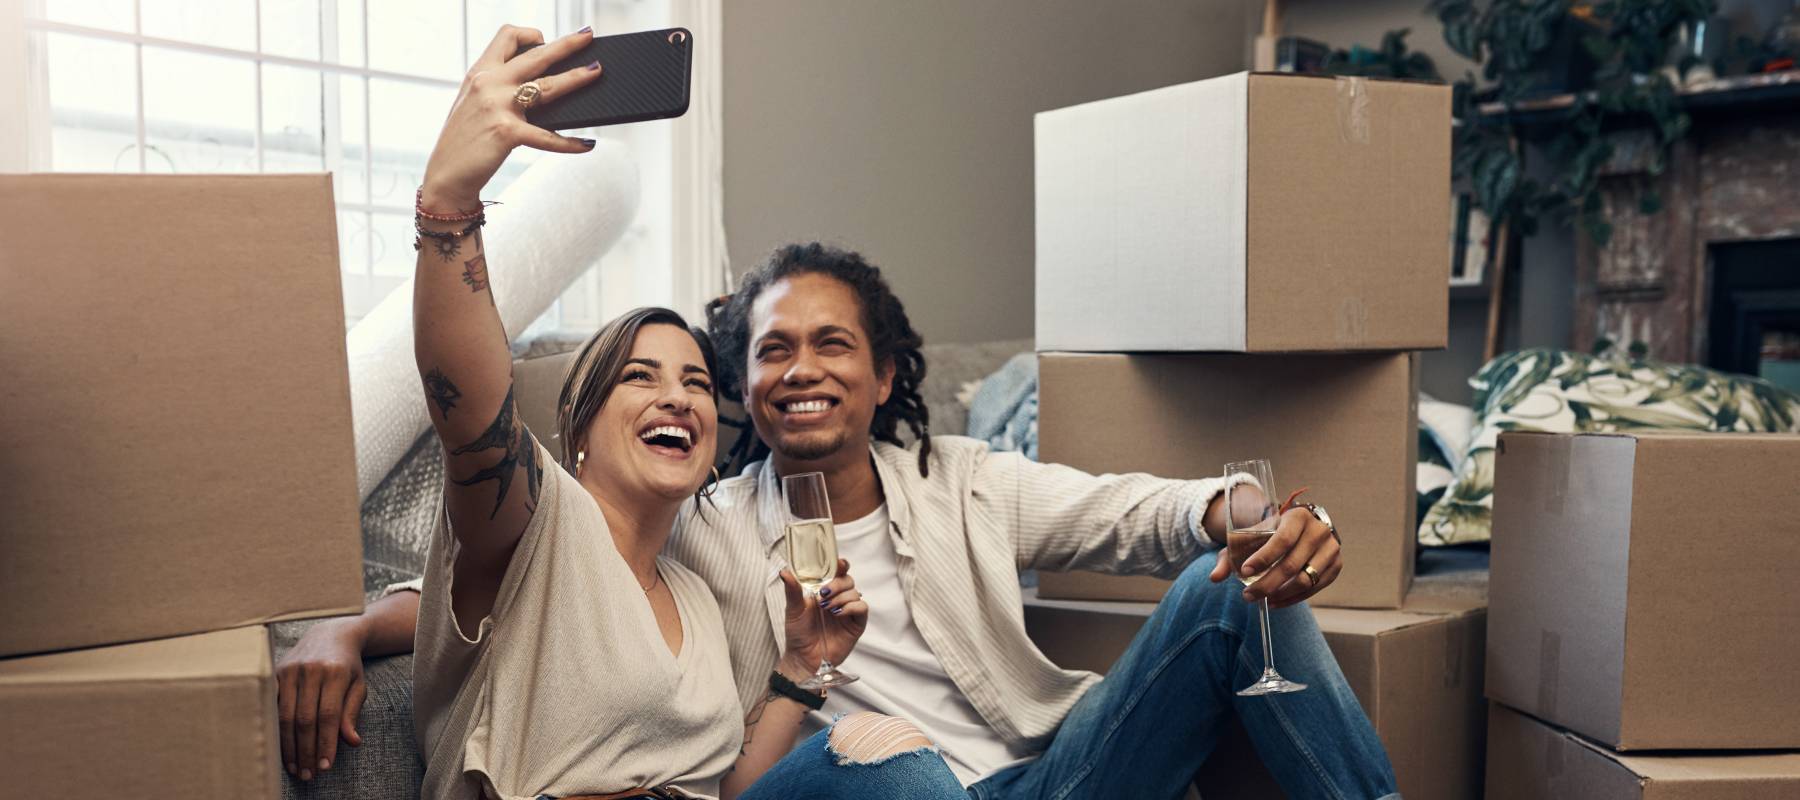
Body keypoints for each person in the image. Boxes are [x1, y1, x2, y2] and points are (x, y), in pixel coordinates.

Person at [282, 42, 1399, 800]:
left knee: (1239, 588)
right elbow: (505, 550)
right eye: (768, 350)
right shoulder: (710, 524)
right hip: (883, 779)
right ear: (748, 392)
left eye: (830, 345)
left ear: (884, 376)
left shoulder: (969, 478)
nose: (798, 370)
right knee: (886, 755)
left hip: (1052, 776)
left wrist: (1254, 510)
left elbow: (1143, 514)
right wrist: (340, 626)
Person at [313, 23, 967, 800]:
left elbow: (728, 791)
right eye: (641, 377)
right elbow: (473, 415)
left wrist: (797, 668)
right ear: (578, 428)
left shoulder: (693, 592)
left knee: (885, 747)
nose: (678, 396)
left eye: (696, 380)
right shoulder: (540, 529)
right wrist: (451, 203)